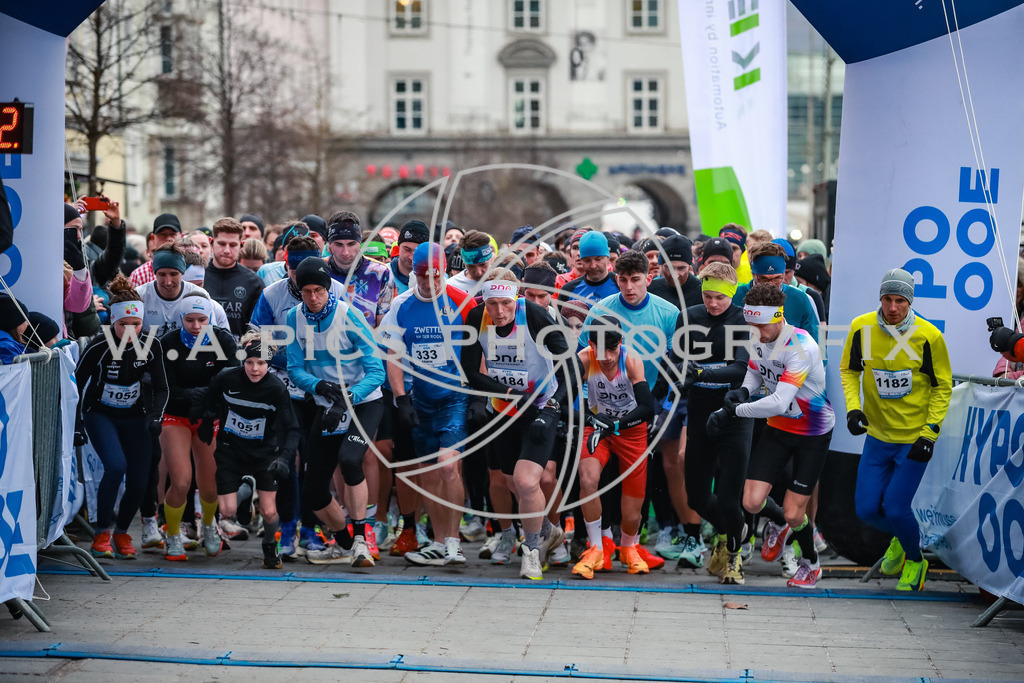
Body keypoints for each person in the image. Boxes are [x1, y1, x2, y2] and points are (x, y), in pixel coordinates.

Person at [710, 283, 835, 588]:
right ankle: (778, 524)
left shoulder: (801, 346)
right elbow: (756, 372)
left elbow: (779, 401)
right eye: (751, 326)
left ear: (779, 317)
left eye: (761, 326)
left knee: (794, 513)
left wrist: (733, 411)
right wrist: (743, 390)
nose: (756, 333)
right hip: (780, 428)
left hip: (812, 433)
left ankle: (810, 563)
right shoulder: (760, 335)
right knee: (751, 502)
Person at [842, 269, 952, 591]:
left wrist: (930, 433)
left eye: (900, 301)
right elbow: (849, 370)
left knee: (895, 507)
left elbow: (942, 387)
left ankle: (916, 560)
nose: (892, 308)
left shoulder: (929, 336)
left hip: (913, 439)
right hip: (878, 436)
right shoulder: (861, 328)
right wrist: (853, 407)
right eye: (887, 299)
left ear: (910, 301)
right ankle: (903, 537)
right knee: (865, 509)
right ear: (880, 298)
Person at [460, 271, 571, 580]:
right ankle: (549, 530)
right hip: (504, 409)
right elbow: (470, 372)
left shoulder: (533, 315)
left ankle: (532, 551)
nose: (499, 312)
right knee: (512, 483)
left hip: (540, 406)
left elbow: (570, 364)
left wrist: (553, 406)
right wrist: (509, 393)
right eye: (492, 303)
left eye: (505, 303)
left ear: (516, 297)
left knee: (526, 482)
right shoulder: (475, 317)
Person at [249, 235, 347, 558]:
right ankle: (288, 526)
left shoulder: (337, 292)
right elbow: (256, 342)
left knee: (314, 462)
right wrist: (293, 359)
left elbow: (349, 342)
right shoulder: (271, 295)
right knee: (287, 460)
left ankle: (310, 529)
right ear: (285, 267)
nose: (300, 279)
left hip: (322, 390)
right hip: (285, 389)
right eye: (293, 271)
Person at [286, 257, 386, 567]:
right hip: (327, 403)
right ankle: (344, 543)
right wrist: (317, 385)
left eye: (319, 291)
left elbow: (377, 371)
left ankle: (361, 540)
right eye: (306, 292)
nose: (313, 298)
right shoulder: (293, 318)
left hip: (364, 401)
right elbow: (294, 368)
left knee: (350, 460)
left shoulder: (349, 316)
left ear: (329, 289)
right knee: (313, 490)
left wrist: (349, 397)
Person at [379, 242, 471, 566]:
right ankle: (438, 541)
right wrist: (401, 399)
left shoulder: (461, 300)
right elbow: (393, 355)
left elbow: (480, 348)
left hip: (455, 397)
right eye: (422, 276)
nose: (429, 283)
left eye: (435, 276)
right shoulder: (401, 304)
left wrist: (480, 396)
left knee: (448, 466)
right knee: (429, 473)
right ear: (413, 273)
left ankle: (454, 542)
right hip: (420, 398)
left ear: (444, 271)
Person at [78, 275, 168, 560]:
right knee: (116, 466)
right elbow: (76, 384)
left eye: (136, 324)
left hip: (136, 416)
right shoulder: (99, 345)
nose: (130, 330)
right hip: (101, 414)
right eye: (123, 325)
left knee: (140, 480)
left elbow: (162, 387)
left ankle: (122, 533)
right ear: (113, 322)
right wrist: (77, 423)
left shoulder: (151, 345)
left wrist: (156, 417)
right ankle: (102, 532)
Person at [674, 263, 752, 583]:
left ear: (732, 294)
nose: (713, 303)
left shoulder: (743, 319)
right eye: (708, 296)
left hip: (735, 414)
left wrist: (701, 372)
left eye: (720, 297)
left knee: (730, 497)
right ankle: (725, 532)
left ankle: (734, 557)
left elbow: (740, 368)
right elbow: (677, 360)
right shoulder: (689, 316)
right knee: (696, 497)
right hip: (700, 412)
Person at [201, 333, 301, 569]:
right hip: (230, 450)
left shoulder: (276, 389)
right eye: (249, 362)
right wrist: (206, 419)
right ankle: (247, 490)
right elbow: (209, 397)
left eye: (261, 363)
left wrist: (284, 459)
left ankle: (269, 545)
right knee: (227, 510)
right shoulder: (227, 378)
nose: (255, 369)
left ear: (269, 364)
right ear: (242, 361)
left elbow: (292, 428)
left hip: (264, 454)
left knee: (269, 512)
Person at [571, 316, 656, 579]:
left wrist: (617, 424)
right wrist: (591, 420)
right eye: (601, 350)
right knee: (588, 479)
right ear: (590, 345)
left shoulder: (631, 360)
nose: (607, 357)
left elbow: (647, 408)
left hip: (630, 430)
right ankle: (596, 547)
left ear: (621, 343)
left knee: (632, 507)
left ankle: (629, 548)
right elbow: (564, 401)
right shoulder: (583, 359)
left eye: (612, 349)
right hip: (597, 427)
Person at [159, 294, 239, 561]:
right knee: (181, 481)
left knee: (210, 485)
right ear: (180, 319)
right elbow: (164, 386)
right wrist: (191, 395)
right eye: (189, 320)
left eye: (202, 320)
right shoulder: (168, 342)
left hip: (208, 415)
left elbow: (232, 376)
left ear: (211, 319)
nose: (195, 326)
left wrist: (206, 398)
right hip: (177, 416)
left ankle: (208, 526)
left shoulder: (223, 340)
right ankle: (172, 534)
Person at [732, 242, 819, 346]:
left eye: (777, 278)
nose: (770, 284)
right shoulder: (735, 296)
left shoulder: (799, 299)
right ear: (753, 274)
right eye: (763, 278)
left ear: (783, 274)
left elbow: (817, 345)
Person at [137, 243, 230, 335]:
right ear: (155, 274)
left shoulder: (199, 294)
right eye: (162, 274)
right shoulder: (140, 295)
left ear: (182, 273)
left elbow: (212, 335)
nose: (168, 282)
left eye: (174, 274)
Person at [324, 211, 393, 327]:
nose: (345, 252)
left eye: (351, 244)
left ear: (360, 242)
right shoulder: (318, 269)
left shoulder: (381, 273)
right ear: (329, 245)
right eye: (338, 244)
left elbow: (383, 326)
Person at [203, 217, 265, 337]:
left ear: (241, 246)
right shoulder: (198, 277)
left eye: (232, 245)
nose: (227, 250)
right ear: (211, 243)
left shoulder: (254, 282)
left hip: (239, 347)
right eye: (222, 244)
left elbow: (259, 329)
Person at [560, 232, 619, 306]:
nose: (593, 266)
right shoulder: (568, 291)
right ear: (581, 260)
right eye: (587, 260)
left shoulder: (620, 285)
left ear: (607, 258)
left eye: (598, 259)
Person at [648, 235, 701, 310]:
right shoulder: (650, 290)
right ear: (661, 265)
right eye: (669, 268)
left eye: (681, 268)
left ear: (690, 266)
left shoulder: (702, 292)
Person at [130, 214, 182, 287]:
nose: (168, 239)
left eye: (172, 234)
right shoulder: (138, 275)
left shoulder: (191, 269)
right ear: (153, 238)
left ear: (181, 236)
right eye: (163, 235)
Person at [448, 230, 496, 297]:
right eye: (471, 266)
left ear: (491, 258)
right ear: (464, 263)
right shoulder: (451, 286)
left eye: (482, 264)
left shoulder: (502, 281)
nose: (478, 272)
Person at [389, 220, 429, 295]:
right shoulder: (383, 274)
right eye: (407, 249)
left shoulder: (438, 279)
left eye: (417, 251)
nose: (411, 257)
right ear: (398, 247)